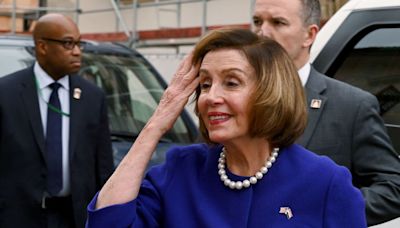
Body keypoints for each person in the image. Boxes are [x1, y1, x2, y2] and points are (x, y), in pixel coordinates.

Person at [86, 28, 366, 227]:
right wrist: (157, 122)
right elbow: (106, 221)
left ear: (271, 92)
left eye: (231, 82)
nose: (210, 97)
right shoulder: (179, 170)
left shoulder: (326, 182)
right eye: (205, 84)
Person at [252, 0, 400, 225]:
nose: (263, 33)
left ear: (309, 35)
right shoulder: (229, 102)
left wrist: (323, 208)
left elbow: (393, 189)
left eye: (278, 22)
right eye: (257, 22)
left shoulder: (352, 105)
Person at [0, 13, 114, 228]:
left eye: (80, 44)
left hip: (75, 218)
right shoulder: (6, 94)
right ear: (42, 47)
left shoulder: (92, 97)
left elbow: (103, 168)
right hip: (18, 217)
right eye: (68, 43)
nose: (77, 52)